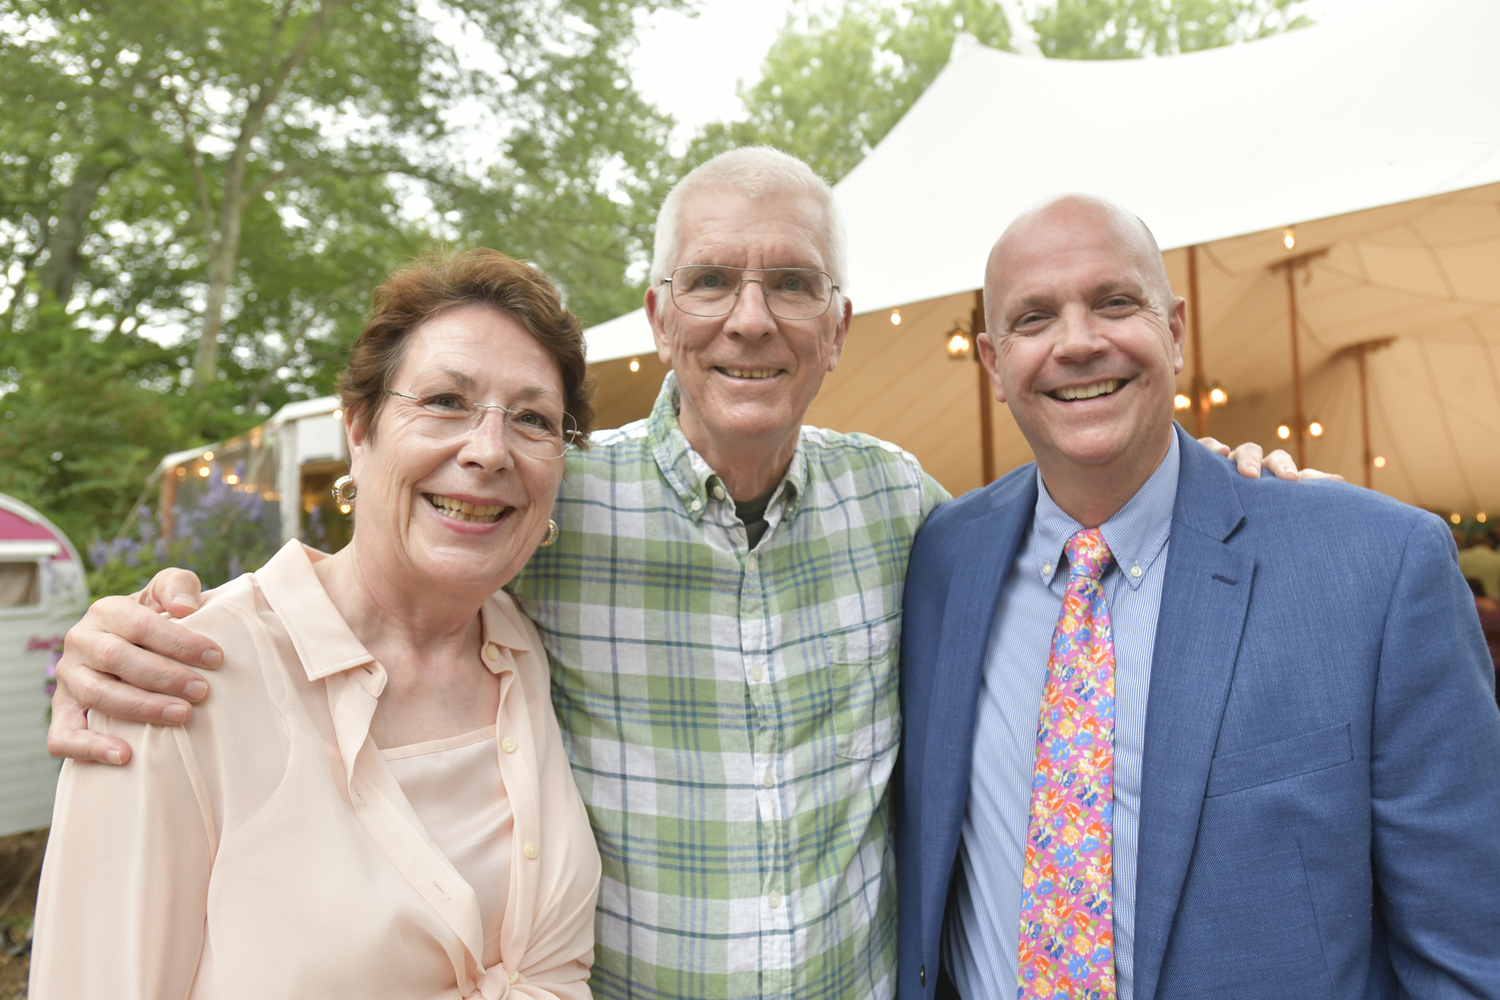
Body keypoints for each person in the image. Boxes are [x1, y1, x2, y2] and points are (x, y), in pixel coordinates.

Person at [46, 150, 1311, 1000]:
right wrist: (139, 627)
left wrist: (1232, 490)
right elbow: (374, 575)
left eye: (791, 285)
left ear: (839, 327)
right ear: (659, 318)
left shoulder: (908, 514)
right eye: (711, 281)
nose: (749, 318)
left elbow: (1087, 541)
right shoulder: (542, 512)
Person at [895, 194, 1500, 1000]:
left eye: (1115, 302)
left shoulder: (1376, 567)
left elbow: (1469, 953)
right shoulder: (940, 560)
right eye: (1034, 319)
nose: (1078, 342)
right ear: (992, 365)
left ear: (1175, 330)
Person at [30, 249, 602, 999]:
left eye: (531, 419)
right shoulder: (181, 673)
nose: (489, 451)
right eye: (444, 402)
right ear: (358, 431)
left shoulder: (525, 650)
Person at [1458, 527, 1500, 598]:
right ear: (1489, 544)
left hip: (1465, 598)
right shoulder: (1497, 559)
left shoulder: (1461, 557)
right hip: (1493, 601)